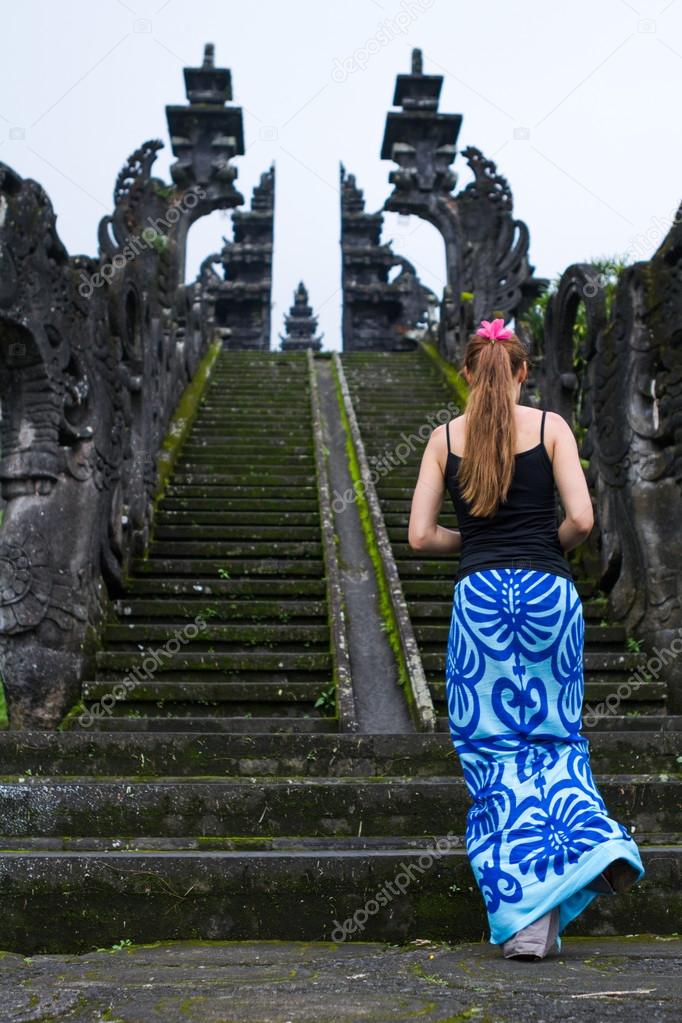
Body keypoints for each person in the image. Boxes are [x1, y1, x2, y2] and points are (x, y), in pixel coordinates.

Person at [407, 317, 645, 960]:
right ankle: (593, 845)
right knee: (554, 735)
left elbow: (421, 537)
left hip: (480, 601)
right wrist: (540, 547)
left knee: (493, 750)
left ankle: (524, 920)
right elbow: (583, 519)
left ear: (466, 372)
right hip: (548, 596)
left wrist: (480, 548)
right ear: (521, 372)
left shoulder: (442, 439)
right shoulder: (549, 428)